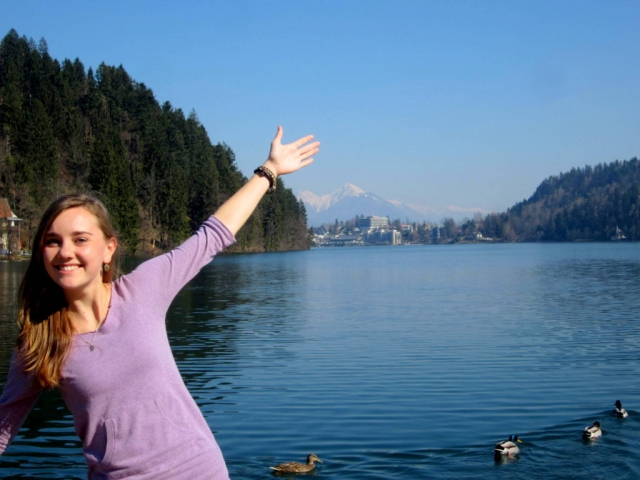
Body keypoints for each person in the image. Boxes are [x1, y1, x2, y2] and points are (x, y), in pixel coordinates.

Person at [0, 126, 319, 479]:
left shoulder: (142, 291)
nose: (66, 253)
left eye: (80, 239)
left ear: (108, 249)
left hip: (201, 470)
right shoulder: (39, 339)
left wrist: (268, 170)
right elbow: (4, 424)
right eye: (52, 241)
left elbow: (212, 235)